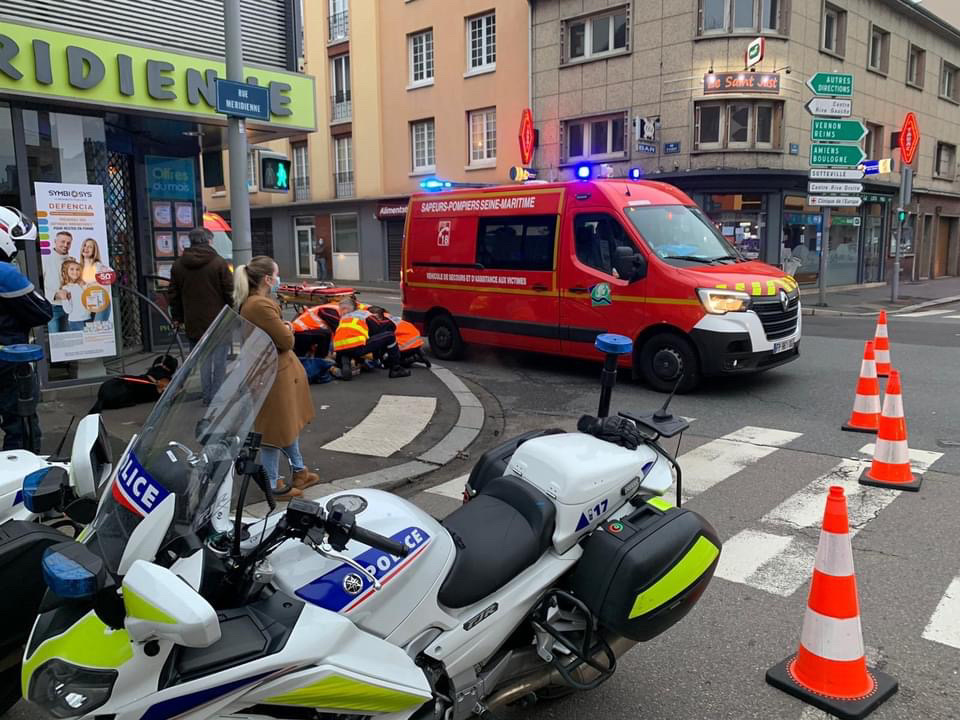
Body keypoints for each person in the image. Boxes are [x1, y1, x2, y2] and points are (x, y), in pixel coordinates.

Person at [234, 255, 319, 500]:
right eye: (277, 274)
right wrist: (288, 328)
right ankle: (273, 483)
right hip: (272, 376)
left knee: (286, 427)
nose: (280, 279)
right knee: (272, 433)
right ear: (268, 279)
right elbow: (286, 340)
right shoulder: (258, 305)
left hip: (277, 373)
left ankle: (300, 470)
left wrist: (282, 327)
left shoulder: (258, 302)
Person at [0, 207, 53, 452]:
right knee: (21, 426)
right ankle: (22, 479)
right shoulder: (5, 273)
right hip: (8, 362)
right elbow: (43, 311)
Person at [169, 227, 234, 406]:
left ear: (190, 241)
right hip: (219, 319)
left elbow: (173, 295)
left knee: (203, 360)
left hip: (193, 321)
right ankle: (217, 396)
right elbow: (230, 291)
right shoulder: (219, 263)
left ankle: (207, 396)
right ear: (209, 241)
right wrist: (234, 311)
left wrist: (177, 317)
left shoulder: (179, 265)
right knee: (220, 360)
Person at [333, 296, 410, 379]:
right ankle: (396, 369)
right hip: (357, 348)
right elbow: (378, 328)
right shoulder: (363, 314)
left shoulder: (343, 319)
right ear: (356, 308)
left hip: (340, 349)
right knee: (389, 335)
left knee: (350, 348)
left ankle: (346, 361)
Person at [41, 230, 75, 333]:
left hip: (71, 305)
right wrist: (55, 295)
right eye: (62, 242)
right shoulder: (45, 260)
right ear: (55, 241)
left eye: (68, 243)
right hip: (53, 306)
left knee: (70, 339)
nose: (65, 245)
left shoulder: (73, 261)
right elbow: (39, 283)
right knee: (55, 339)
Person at [79, 237, 112, 323]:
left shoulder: (100, 267)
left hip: (100, 303)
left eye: (90, 247)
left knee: (98, 332)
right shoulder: (78, 268)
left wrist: (87, 285)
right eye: (84, 245)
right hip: (85, 306)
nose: (86, 248)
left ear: (94, 251)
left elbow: (106, 287)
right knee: (86, 334)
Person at [56, 260, 90, 331]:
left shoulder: (83, 284)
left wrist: (84, 286)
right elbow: (68, 310)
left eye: (77, 269)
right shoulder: (66, 288)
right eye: (72, 269)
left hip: (88, 318)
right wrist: (64, 298)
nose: (75, 272)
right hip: (76, 321)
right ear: (66, 271)